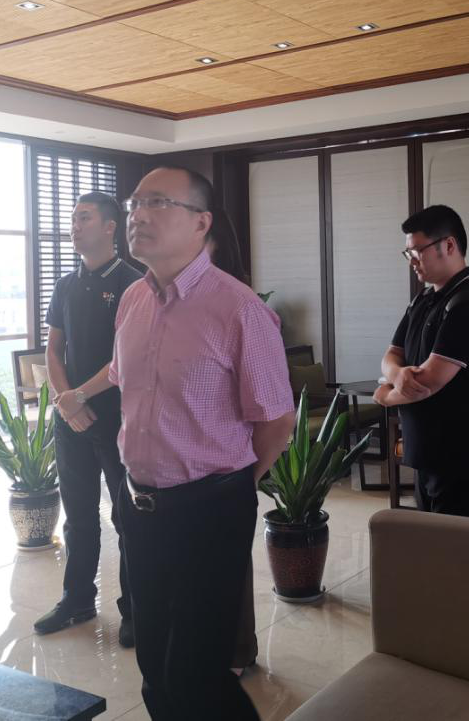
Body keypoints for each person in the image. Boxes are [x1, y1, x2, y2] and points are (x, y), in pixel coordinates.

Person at [80, 166, 294, 720]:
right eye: (135, 203)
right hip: (140, 504)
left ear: (201, 223)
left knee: (196, 670)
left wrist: (231, 486)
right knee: (154, 663)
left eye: (157, 203)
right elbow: (126, 377)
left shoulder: (239, 308)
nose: (138, 215)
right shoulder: (133, 299)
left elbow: (276, 421)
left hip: (209, 508)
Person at [34, 192, 142, 641]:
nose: (74, 226)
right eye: (73, 219)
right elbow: (53, 350)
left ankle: (135, 609)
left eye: (84, 218)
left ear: (110, 227)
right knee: (78, 516)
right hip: (71, 420)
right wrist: (66, 401)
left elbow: (126, 358)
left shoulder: (133, 283)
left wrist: (79, 396)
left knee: (127, 517)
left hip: (117, 419)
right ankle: (77, 599)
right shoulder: (65, 284)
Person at [373, 205, 469, 519]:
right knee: (433, 542)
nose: (412, 261)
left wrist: (385, 395)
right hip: (430, 455)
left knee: (457, 546)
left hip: (464, 457)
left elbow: (427, 382)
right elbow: (390, 356)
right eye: (408, 254)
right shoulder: (423, 299)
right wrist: (398, 374)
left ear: (448, 245)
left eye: (417, 251)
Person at [206, 207, 259, 675]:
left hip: (225, 465)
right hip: (175, 474)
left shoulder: (238, 302)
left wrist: (247, 477)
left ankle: (238, 652)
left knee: (228, 566)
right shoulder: (149, 297)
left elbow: (274, 416)